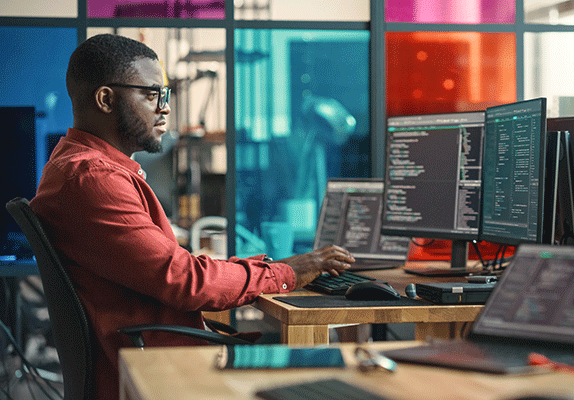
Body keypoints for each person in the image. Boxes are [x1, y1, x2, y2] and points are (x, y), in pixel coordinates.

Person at [30, 33, 355, 400]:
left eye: (165, 95)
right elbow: (184, 280)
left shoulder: (82, 168)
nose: (165, 108)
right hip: (156, 371)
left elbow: (175, 270)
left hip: (152, 357)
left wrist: (273, 267)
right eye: (152, 94)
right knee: (333, 374)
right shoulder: (94, 179)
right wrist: (287, 272)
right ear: (105, 99)